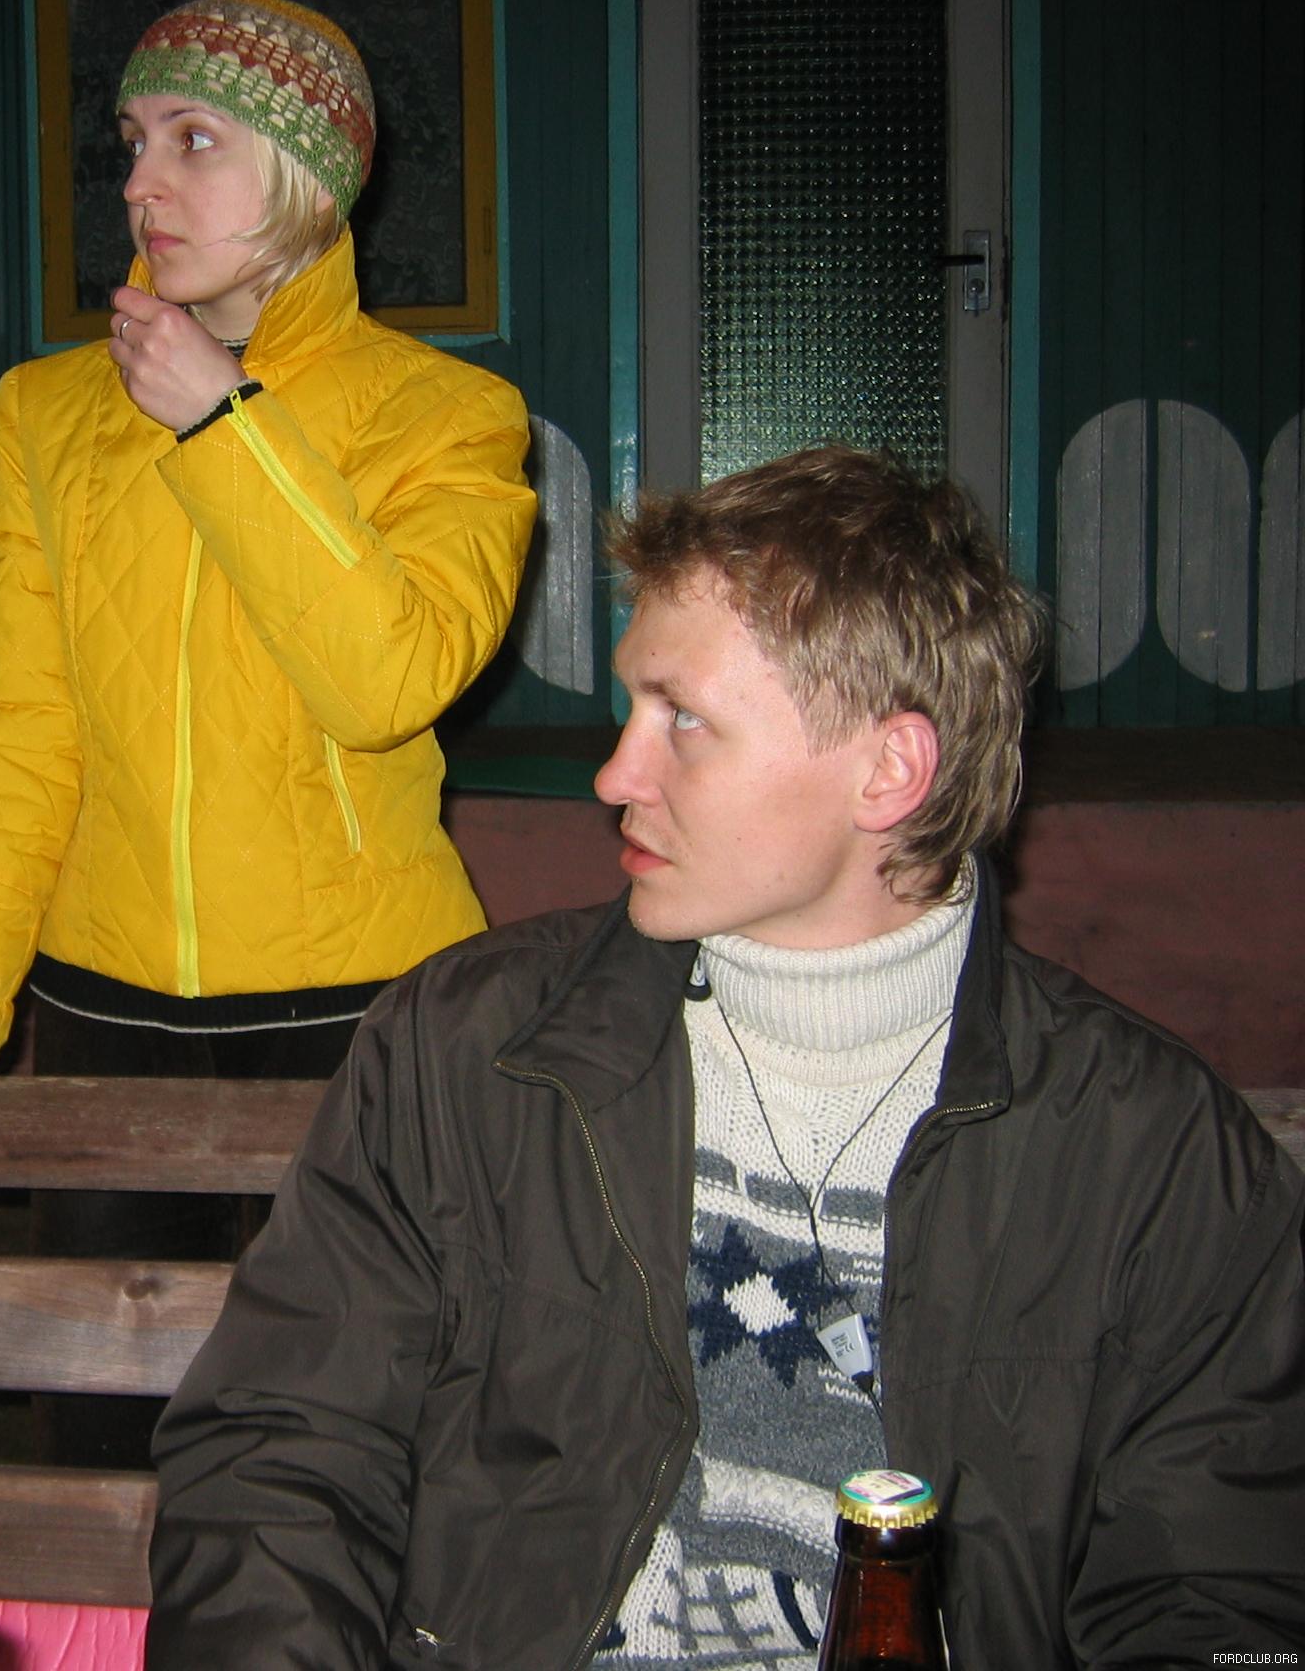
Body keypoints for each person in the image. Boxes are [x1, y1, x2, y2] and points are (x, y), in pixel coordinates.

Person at [146, 446, 1305, 1667]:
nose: (615, 774)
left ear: (888, 771)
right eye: (632, 709)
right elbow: (280, 1455)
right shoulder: (468, 1047)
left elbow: (1222, 1599)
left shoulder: (1155, 1154)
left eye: (683, 720)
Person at [0, 0, 533, 1091]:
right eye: (133, 142)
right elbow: (11, 746)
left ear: (311, 173)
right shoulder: (44, 415)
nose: (139, 183)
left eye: (193, 140)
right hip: (100, 1009)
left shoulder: (450, 415)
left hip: (368, 1012)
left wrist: (222, 421)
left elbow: (386, 684)